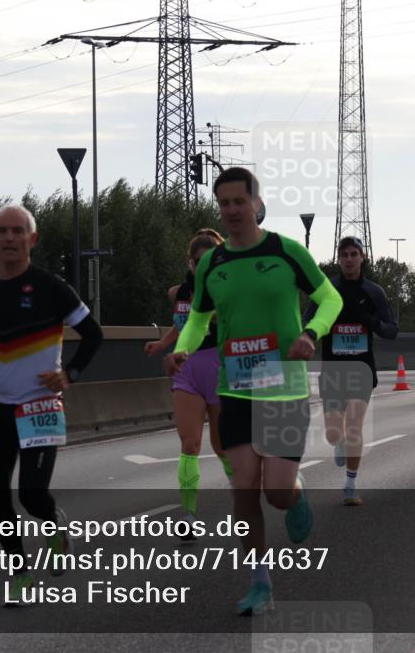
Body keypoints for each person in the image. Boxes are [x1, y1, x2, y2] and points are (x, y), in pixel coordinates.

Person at [163, 167, 343, 615]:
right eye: (223, 204)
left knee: (275, 492)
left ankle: (295, 495)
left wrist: (311, 333)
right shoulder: (212, 264)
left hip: (283, 387)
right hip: (237, 389)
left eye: (239, 202)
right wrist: (183, 349)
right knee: (244, 488)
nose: (231, 211)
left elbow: (331, 298)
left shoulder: (286, 251)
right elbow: (198, 320)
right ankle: (260, 583)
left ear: (257, 204)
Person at [0, 205, 103, 605]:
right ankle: (19, 573)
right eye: (2, 231)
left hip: (40, 406)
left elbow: (93, 335)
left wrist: (69, 374)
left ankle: (53, 523)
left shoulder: (51, 288)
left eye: (17, 231)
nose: (9, 238)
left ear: (32, 239)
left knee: (31, 495)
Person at [144, 229, 232, 537]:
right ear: (190, 263)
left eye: (209, 260)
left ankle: (242, 495)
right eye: (197, 261)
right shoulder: (180, 293)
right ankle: (189, 514)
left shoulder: (226, 289)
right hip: (187, 369)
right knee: (189, 444)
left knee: (222, 446)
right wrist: (162, 344)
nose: (202, 266)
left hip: (220, 368)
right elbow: (181, 324)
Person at [303, 235, 398, 506]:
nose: (348, 260)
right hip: (333, 368)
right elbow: (307, 322)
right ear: (339, 259)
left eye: (353, 255)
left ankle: (350, 485)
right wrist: (321, 328)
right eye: (344, 255)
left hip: (361, 368)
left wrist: (371, 322)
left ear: (362, 258)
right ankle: (340, 443)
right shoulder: (327, 290)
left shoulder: (374, 292)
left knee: (355, 425)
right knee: (334, 433)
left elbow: (391, 330)